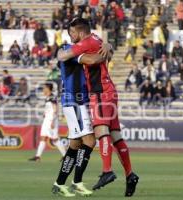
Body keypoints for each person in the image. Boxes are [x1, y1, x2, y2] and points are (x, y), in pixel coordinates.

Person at [57, 18, 139, 197]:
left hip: (100, 92)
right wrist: (107, 47)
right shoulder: (96, 39)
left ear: (79, 32)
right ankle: (130, 174)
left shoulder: (84, 43)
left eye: (72, 33)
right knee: (116, 136)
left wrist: (76, 54)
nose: (70, 37)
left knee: (100, 132)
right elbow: (102, 55)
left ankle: (107, 170)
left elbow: (62, 55)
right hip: (110, 91)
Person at [52, 44, 97, 197]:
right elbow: (63, 54)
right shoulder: (70, 49)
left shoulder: (73, 51)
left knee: (75, 144)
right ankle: (77, 182)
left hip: (75, 102)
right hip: (75, 102)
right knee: (90, 141)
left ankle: (59, 183)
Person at [29, 83, 66, 161]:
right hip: (47, 120)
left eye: (44, 88)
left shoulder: (52, 97)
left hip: (51, 120)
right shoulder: (47, 98)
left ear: (48, 89)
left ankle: (66, 156)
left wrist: (52, 120)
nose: (43, 90)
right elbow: (50, 108)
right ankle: (37, 156)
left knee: (55, 139)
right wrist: (45, 113)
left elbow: (55, 109)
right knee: (43, 137)